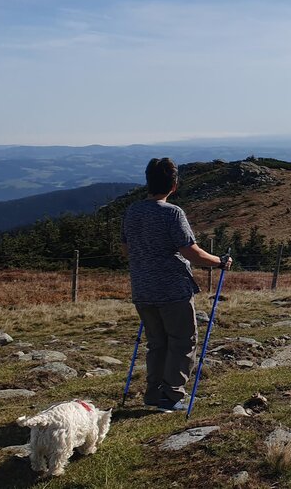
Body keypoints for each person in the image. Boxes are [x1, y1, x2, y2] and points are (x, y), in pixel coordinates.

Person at [121, 157, 231, 411]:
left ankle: (153, 393)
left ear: (148, 182)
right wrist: (220, 261)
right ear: (174, 186)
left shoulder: (132, 211)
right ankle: (171, 396)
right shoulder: (172, 213)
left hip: (142, 289)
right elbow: (191, 252)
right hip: (172, 288)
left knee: (157, 343)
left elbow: (126, 249)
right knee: (182, 341)